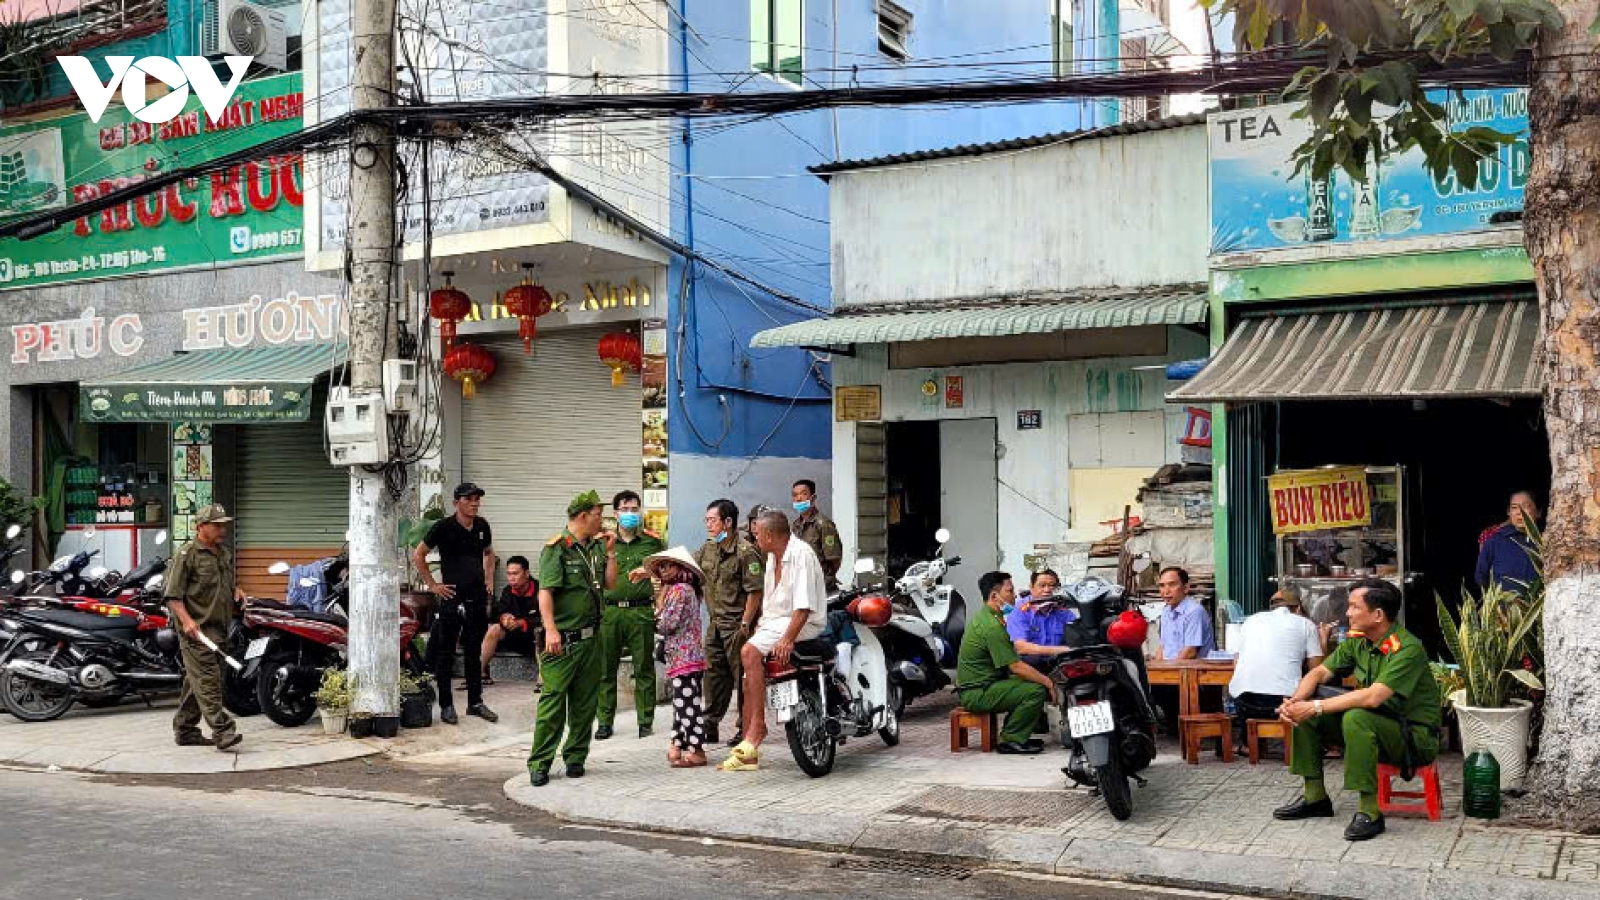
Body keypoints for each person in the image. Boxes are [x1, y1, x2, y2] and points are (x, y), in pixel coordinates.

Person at [1272, 579, 1441, 842]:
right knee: (1305, 717)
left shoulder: (1407, 648)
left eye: (1353, 607)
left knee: (1356, 717)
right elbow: (1318, 672)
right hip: (1377, 726)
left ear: (1377, 615)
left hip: (1413, 738)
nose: (1347, 613)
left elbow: (1374, 697)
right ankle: (1315, 797)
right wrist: (1295, 702)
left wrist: (1315, 706)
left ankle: (1369, 812)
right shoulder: (1358, 642)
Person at [722, 510, 827, 771]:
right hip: (778, 622)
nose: (755, 539)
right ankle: (748, 749)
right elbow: (770, 606)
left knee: (749, 652)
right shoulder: (771, 558)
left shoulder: (801, 554)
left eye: (757, 534)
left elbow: (803, 608)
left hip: (804, 622)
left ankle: (758, 728)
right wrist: (761, 626)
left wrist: (788, 639)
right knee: (748, 676)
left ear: (769, 534)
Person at [528, 490, 618, 787]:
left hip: (592, 640)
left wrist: (611, 553)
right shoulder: (557, 548)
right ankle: (540, 762)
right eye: (597, 514)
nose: (601, 520)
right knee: (553, 703)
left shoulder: (595, 547)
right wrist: (550, 629)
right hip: (563, 640)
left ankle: (575, 757)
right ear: (583, 516)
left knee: (585, 704)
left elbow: (610, 583)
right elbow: (545, 592)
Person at [412, 482, 498, 725]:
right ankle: (447, 705)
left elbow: (489, 553)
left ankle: (475, 702)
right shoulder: (443, 527)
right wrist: (433, 585)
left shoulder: (482, 526)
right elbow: (418, 555)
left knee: (473, 651)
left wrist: (489, 579)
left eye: (477, 499)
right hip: (451, 597)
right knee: (446, 652)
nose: (474, 503)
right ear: (456, 502)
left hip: (476, 596)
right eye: (469, 499)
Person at [165, 503, 245, 752]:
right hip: (195, 630)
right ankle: (223, 730)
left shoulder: (223, 553)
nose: (223, 530)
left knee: (198, 679)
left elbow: (225, 582)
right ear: (200, 527)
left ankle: (185, 729)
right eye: (217, 525)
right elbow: (172, 595)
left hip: (219, 627)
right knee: (208, 680)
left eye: (224, 525)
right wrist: (187, 621)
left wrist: (236, 591)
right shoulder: (186, 555)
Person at [954, 571, 1056, 754]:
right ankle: (1011, 739)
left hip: (986, 685)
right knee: (1036, 690)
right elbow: (1016, 666)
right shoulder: (991, 627)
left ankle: (1016, 732)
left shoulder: (990, 618)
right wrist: (1049, 683)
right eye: (1009, 591)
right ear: (995, 596)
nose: (1014, 595)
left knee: (1031, 682)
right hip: (978, 693)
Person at [596, 490, 667, 741]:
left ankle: (645, 722)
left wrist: (660, 599)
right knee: (605, 670)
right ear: (615, 513)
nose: (630, 514)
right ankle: (604, 722)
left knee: (644, 668)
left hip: (641, 611)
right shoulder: (603, 542)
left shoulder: (652, 541)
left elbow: (666, 573)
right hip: (611, 612)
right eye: (625, 510)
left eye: (634, 509)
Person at [694, 499, 764, 747]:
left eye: (712, 520)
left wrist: (746, 623)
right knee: (713, 675)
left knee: (743, 677)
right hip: (715, 623)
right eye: (707, 520)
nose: (708, 525)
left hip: (737, 624)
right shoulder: (708, 549)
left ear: (728, 522)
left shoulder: (746, 552)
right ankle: (710, 724)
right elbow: (690, 568)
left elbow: (755, 591)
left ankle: (745, 729)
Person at [1228, 587, 1327, 744]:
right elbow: (1316, 670)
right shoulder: (1305, 624)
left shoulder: (1251, 620)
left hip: (1244, 702)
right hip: (1284, 705)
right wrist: (1323, 641)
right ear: (1299, 608)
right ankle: (1322, 744)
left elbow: (1236, 662)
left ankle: (1249, 745)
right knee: (1321, 692)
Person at [645, 546, 709, 768]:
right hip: (687, 656)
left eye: (667, 565)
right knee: (682, 704)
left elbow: (668, 624)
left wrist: (656, 615)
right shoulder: (686, 589)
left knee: (686, 705)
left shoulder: (680, 590)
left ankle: (697, 750)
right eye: (660, 567)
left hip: (684, 657)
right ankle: (677, 744)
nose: (662, 570)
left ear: (680, 567)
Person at [480, 555, 540, 689]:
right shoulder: (508, 590)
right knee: (494, 629)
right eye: (509, 574)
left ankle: (543, 680)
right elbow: (498, 611)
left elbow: (545, 618)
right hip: (514, 637)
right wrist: (504, 618)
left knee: (541, 632)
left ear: (527, 573)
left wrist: (521, 622)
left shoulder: (539, 591)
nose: (511, 578)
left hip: (534, 639)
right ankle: (481, 672)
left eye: (515, 574)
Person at [1006, 569, 1079, 669]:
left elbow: (1078, 633)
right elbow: (1021, 647)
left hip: (1058, 663)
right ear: (1031, 588)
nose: (1047, 590)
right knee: (1034, 660)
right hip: (1033, 667)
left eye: (1052, 586)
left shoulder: (1061, 609)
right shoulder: (1020, 611)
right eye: (1042, 585)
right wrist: (1062, 650)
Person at [1476, 490, 1541, 593]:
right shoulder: (1493, 542)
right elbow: (1481, 577)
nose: (1520, 512)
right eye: (1514, 507)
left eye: (1525, 506)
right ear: (1508, 513)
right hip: (1503, 607)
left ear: (1538, 512)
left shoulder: (1547, 542)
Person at [791, 479, 843, 592]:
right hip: (802, 586)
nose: (799, 498)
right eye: (795, 495)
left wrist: (826, 577)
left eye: (803, 494)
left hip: (822, 587)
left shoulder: (823, 524)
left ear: (813, 498)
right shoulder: (795, 526)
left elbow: (835, 559)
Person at [1157, 567, 1216, 659]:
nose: (1166, 591)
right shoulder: (1166, 611)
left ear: (1186, 588)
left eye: (1172, 585)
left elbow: (1190, 652)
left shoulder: (1194, 611)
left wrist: (1169, 672)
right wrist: (1157, 670)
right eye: (1162, 585)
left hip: (1193, 670)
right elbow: (1162, 647)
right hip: (1171, 669)